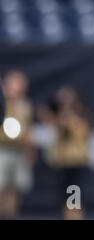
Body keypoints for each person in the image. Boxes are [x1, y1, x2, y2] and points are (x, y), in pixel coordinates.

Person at [45, 86, 91, 220]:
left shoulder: (81, 116)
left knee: (74, 199)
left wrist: (68, 117)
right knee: (64, 199)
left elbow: (79, 132)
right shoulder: (58, 117)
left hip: (75, 164)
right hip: (62, 163)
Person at [0, 70, 35, 220]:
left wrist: (30, 151)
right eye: (16, 83)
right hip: (2, 149)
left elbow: (28, 130)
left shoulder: (26, 105)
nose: (20, 87)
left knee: (15, 189)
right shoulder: (3, 103)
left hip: (19, 151)